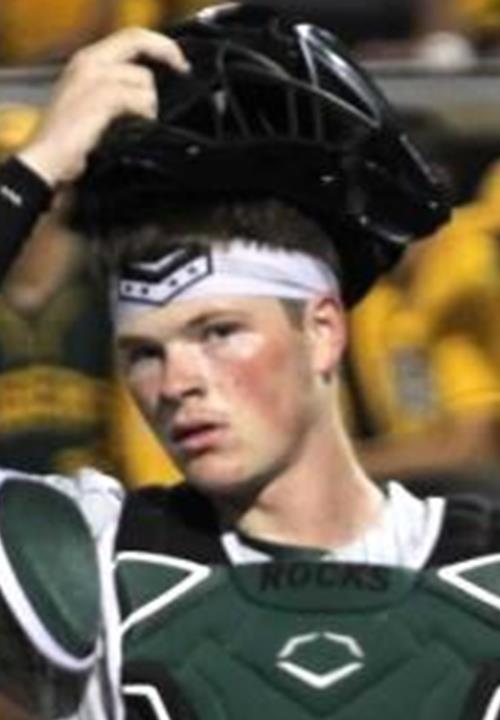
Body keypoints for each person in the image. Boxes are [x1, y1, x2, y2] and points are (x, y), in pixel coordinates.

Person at [1, 4, 499, 720]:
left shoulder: (485, 566)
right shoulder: (82, 561)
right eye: (144, 353)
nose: (177, 384)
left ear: (323, 330)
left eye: (219, 332)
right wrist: (34, 170)